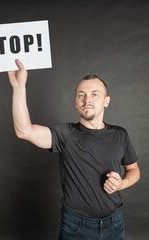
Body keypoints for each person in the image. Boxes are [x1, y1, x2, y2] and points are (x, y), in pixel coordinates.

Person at [8, 59, 140, 240]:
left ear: (106, 101)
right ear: (76, 102)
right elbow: (24, 130)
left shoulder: (120, 134)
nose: (87, 100)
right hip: (76, 226)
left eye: (95, 94)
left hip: (114, 224)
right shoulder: (65, 134)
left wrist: (122, 183)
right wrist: (19, 87)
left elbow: (133, 169)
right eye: (81, 95)